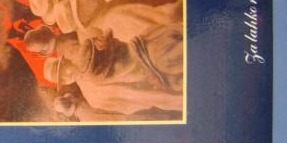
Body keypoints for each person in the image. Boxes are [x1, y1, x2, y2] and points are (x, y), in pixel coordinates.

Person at [31, 24, 184, 115]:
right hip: (147, 57)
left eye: (64, 71)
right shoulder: (90, 77)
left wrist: (104, 40)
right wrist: (106, 39)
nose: (68, 76)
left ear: (65, 62)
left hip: (147, 58)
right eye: (63, 78)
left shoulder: (88, 66)